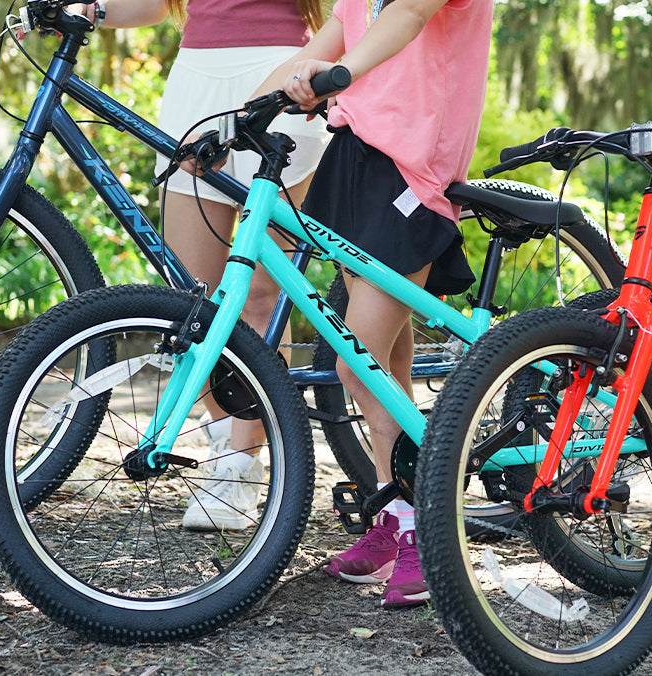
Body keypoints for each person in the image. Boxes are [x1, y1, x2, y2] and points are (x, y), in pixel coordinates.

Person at [242, 0, 493, 608]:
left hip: (410, 167)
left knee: (357, 365)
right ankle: (396, 507)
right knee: (388, 368)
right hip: (354, 150)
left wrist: (341, 73)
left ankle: (432, 529)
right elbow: (328, 38)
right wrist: (241, 113)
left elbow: (406, 14)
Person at [72, 0, 331, 531]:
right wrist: (91, 9)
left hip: (286, 70)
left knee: (262, 296)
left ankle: (240, 465)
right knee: (192, 300)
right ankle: (223, 436)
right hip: (197, 81)